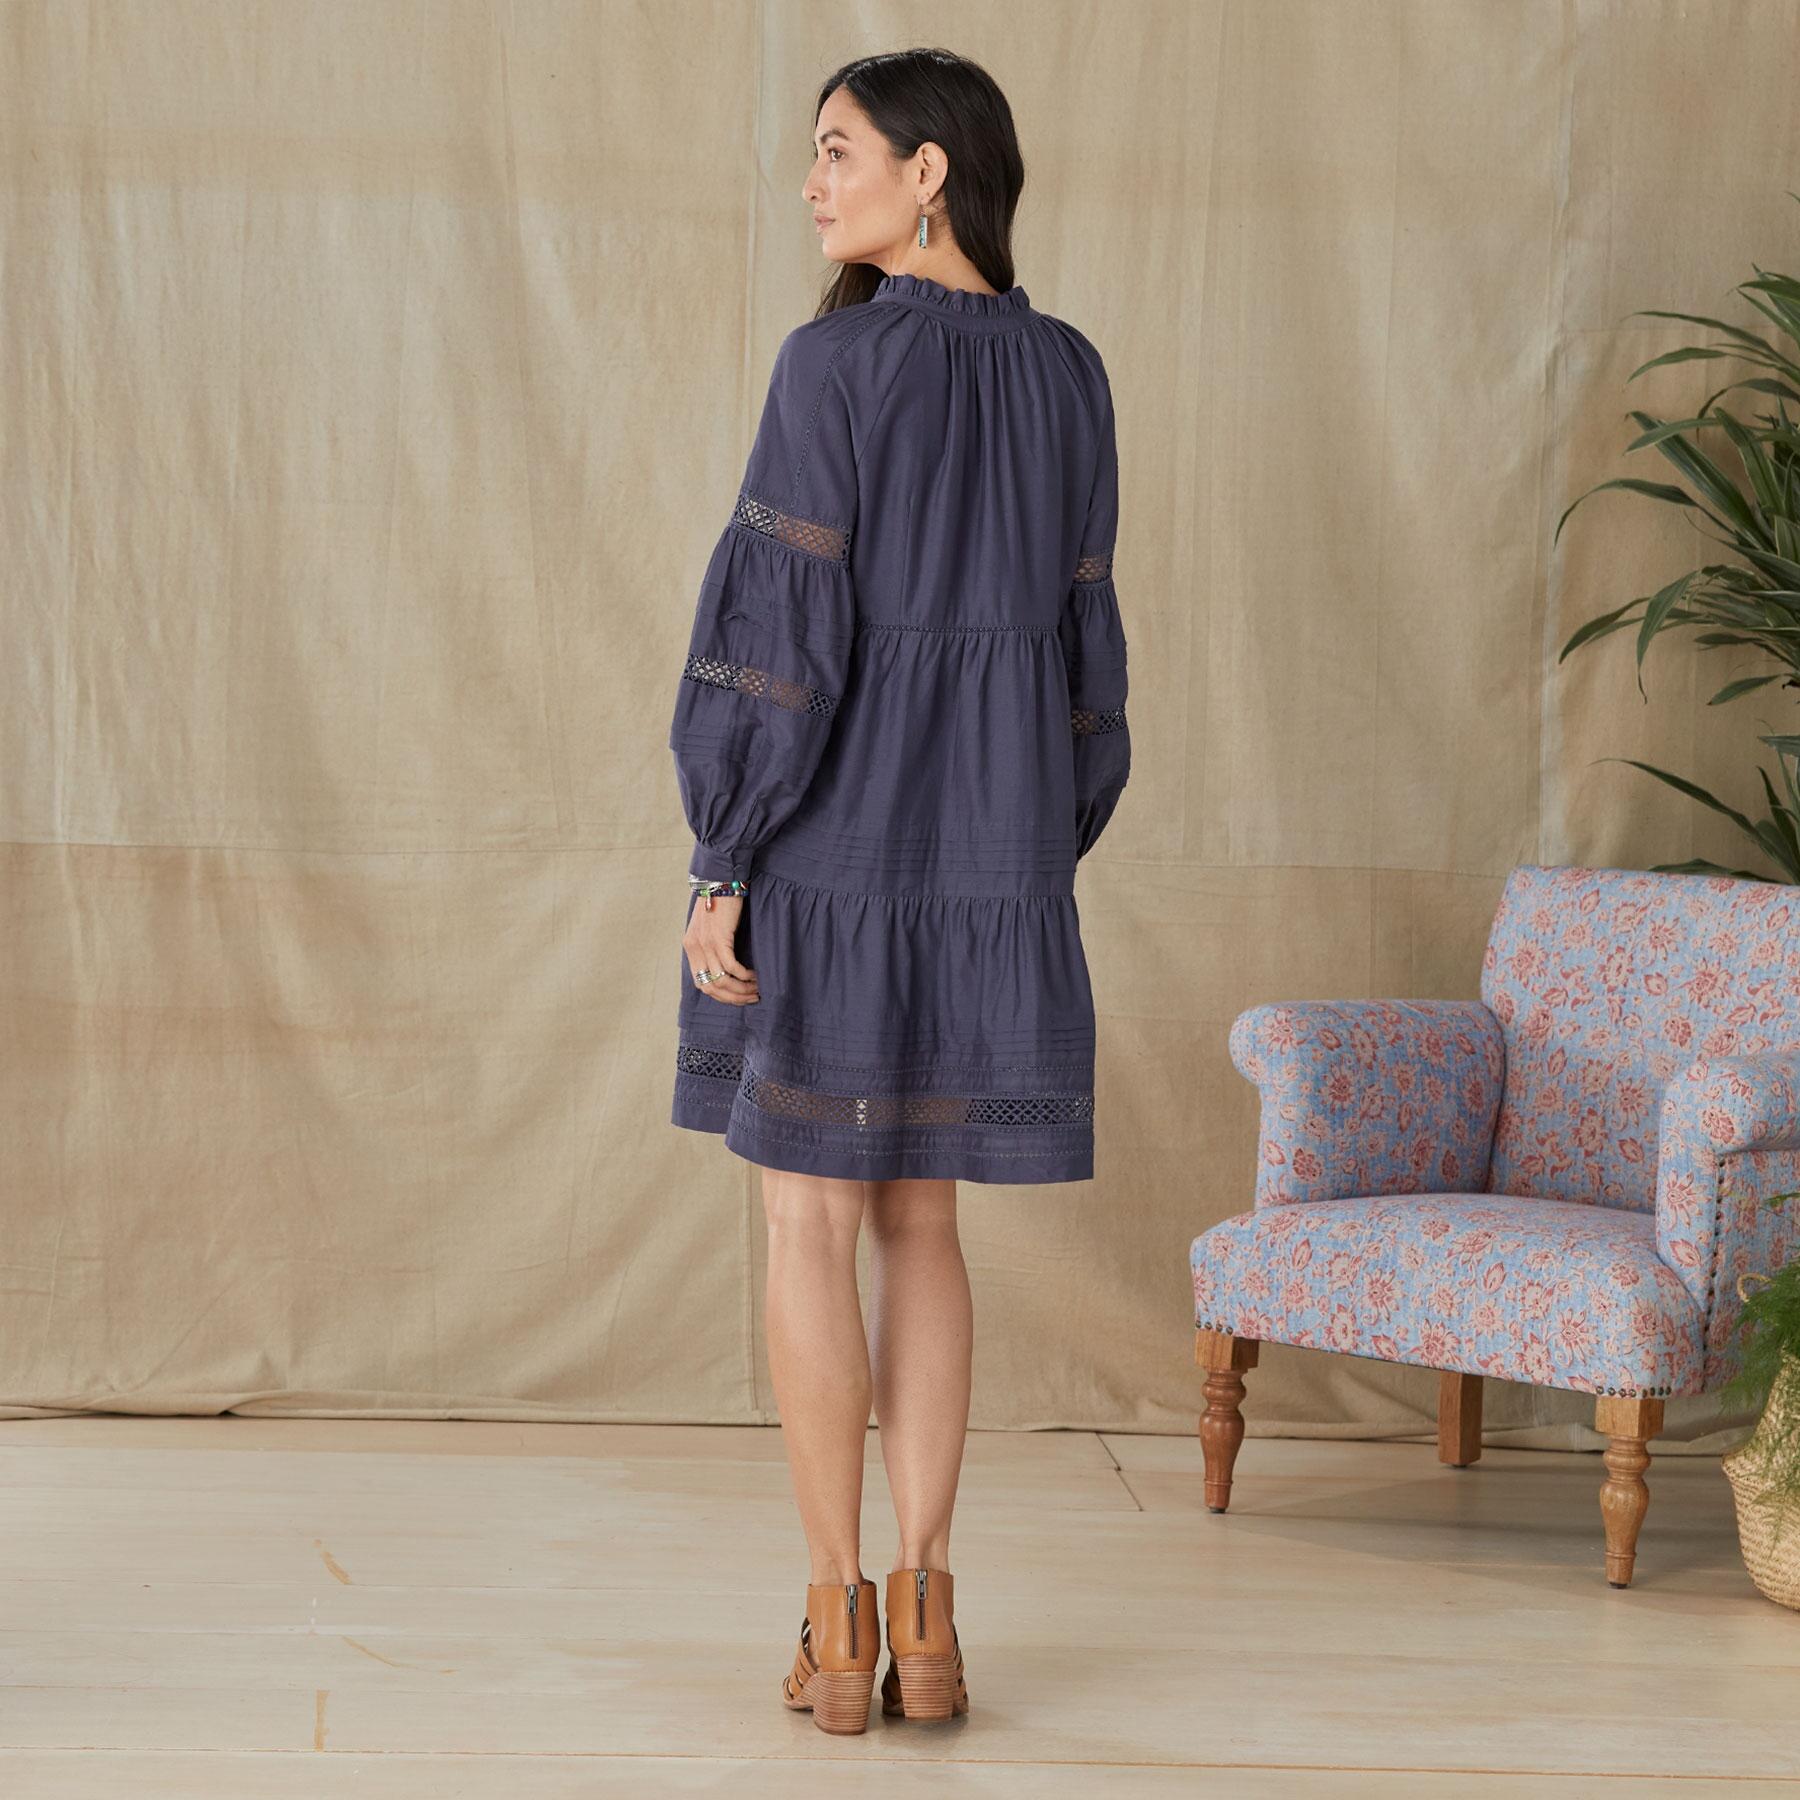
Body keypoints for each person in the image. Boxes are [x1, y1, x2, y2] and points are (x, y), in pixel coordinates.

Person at [666, 47, 1129, 1736]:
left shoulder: (834, 364)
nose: (813, 183)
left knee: (808, 1223)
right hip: (993, 859)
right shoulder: (1071, 374)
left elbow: (777, 638)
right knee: (925, 1223)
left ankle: (839, 1618)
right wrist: (1028, 852)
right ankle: (933, 1616)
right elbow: (1087, 657)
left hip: (832, 853)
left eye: (838, 151)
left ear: (930, 172)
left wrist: (725, 855)